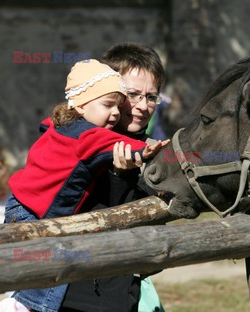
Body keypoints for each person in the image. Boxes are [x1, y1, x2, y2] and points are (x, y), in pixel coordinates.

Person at [0, 59, 167, 312]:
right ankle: (25, 306)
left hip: (25, 205)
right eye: (130, 95)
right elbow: (105, 143)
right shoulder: (88, 134)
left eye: (152, 96)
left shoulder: (63, 126)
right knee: (56, 257)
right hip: (39, 216)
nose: (118, 112)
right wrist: (146, 150)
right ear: (81, 103)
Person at [59, 43, 168, 312]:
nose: (143, 106)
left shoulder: (152, 153)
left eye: (151, 97)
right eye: (132, 94)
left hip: (124, 294)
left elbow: (151, 240)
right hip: (75, 296)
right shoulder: (76, 146)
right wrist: (119, 177)